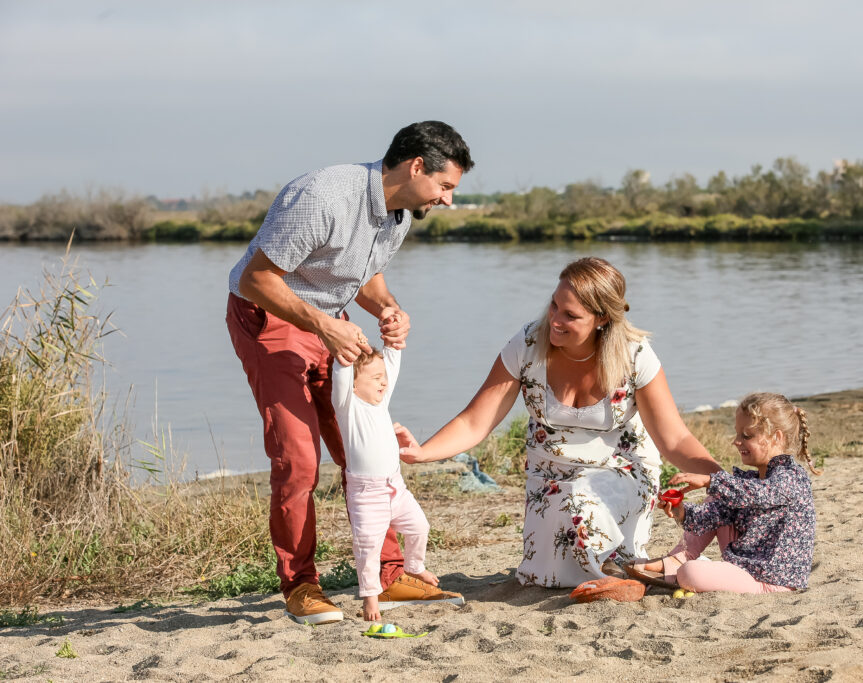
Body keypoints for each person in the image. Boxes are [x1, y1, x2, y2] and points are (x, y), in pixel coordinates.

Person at [225, 121, 473, 624]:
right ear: (416, 166)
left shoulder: (399, 215)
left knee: (365, 448)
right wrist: (325, 326)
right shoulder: (322, 196)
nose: (448, 200)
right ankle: (301, 586)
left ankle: (389, 574)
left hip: (328, 320)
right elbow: (256, 278)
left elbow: (362, 273)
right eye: (445, 186)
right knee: (298, 459)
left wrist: (386, 308)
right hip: (270, 316)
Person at [395, 257, 722, 587]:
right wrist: (422, 453)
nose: (554, 320)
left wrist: (725, 480)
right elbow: (475, 421)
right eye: (554, 306)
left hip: (621, 472)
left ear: (602, 318)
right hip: (549, 478)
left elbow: (675, 440)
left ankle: (623, 579)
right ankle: (633, 571)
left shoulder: (634, 355)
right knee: (546, 578)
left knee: (582, 502)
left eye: (570, 315)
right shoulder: (526, 345)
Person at [630, 392, 819, 594]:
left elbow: (761, 494)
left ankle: (683, 567)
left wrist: (711, 480)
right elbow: (712, 517)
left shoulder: (791, 477)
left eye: (747, 436)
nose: (736, 441)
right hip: (746, 567)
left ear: (776, 437)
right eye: (737, 434)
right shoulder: (751, 481)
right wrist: (682, 511)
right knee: (721, 497)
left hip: (771, 580)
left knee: (690, 573)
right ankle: (678, 558)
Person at [332, 342, 465, 621]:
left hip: (396, 487)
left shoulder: (382, 401)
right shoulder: (348, 405)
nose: (384, 382)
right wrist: (344, 356)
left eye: (384, 377)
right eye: (375, 378)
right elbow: (342, 373)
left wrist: (392, 343)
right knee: (368, 547)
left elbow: (391, 363)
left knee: (419, 526)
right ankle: (370, 597)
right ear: (354, 385)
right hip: (367, 494)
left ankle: (414, 566)